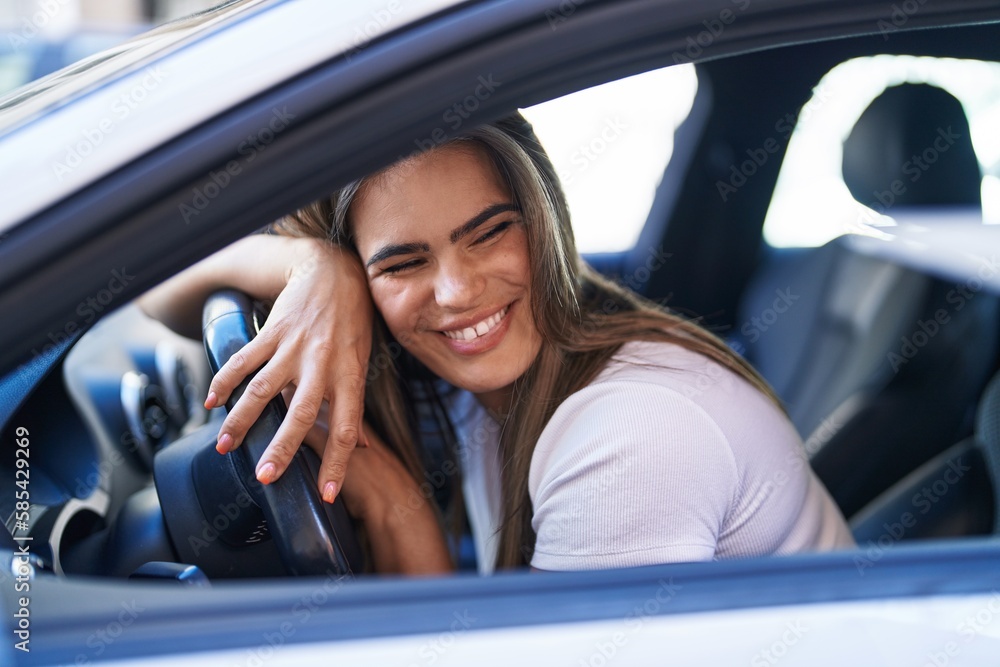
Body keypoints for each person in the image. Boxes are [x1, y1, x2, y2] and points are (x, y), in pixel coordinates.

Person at [139, 113, 854, 575]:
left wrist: (397, 512)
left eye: (490, 232)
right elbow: (151, 282)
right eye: (403, 262)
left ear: (546, 223)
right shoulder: (486, 381)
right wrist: (311, 267)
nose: (455, 292)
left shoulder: (628, 435)